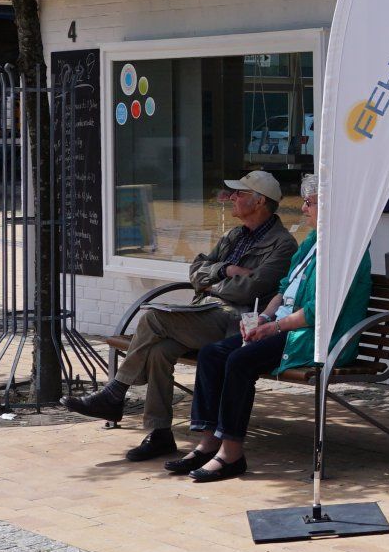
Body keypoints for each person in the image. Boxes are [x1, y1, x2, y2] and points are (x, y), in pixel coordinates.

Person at [64, 170, 297, 457]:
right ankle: (159, 432)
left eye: (240, 194)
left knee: (153, 317)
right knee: (160, 350)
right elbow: (196, 270)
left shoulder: (283, 244)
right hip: (206, 312)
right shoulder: (235, 235)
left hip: (235, 323)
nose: (232, 198)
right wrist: (225, 270)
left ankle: (115, 393)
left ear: (260, 201)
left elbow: (249, 291)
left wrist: (212, 286)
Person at [169, 177, 374, 482]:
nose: (303, 208)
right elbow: (284, 288)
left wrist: (273, 327)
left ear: (331, 208)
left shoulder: (344, 250)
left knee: (240, 360)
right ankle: (208, 441)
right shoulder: (314, 241)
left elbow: (318, 312)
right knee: (212, 353)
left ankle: (231, 453)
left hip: (312, 337)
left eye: (311, 202)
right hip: (284, 328)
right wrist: (263, 319)